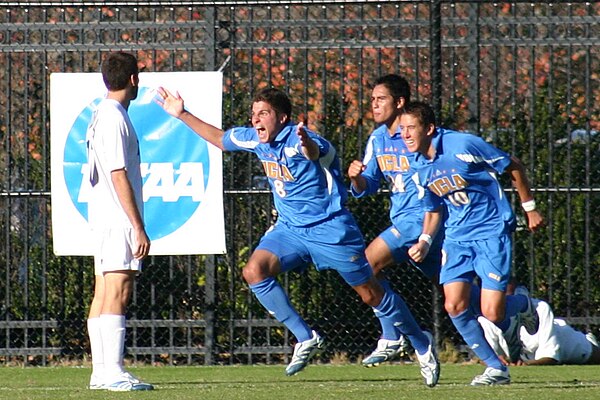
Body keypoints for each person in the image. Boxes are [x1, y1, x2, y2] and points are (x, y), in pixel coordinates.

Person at [157, 87, 440, 387]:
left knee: (370, 293)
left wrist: (308, 146)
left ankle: (421, 343)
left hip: (331, 230)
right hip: (290, 230)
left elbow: (315, 152)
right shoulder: (255, 138)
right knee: (254, 270)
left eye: (263, 114)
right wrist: (181, 113)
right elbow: (220, 140)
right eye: (253, 115)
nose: (255, 120)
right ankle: (306, 337)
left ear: (283, 117)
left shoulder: (301, 139)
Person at [400, 101, 544, 385]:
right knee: (454, 305)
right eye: (402, 129)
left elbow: (512, 165)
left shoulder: (463, 144)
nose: (404, 135)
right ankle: (496, 368)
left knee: (492, 312)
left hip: (491, 232)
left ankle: (522, 304)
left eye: (410, 128)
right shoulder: (418, 166)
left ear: (429, 129)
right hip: (456, 238)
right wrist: (426, 241)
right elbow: (433, 209)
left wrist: (530, 207)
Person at [347, 75, 443, 367]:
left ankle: (393, 335)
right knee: (458, 293)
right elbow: (369, 186)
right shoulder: (377, 139)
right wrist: (356, 178)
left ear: (399, 102)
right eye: (372, 99)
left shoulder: (419, 135)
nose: (374, 105)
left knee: (366, 264)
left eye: (381, 99)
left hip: (423, 219)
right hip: (404, 220)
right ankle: (519, 308)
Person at [85, 51, 154, 391]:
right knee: (118, 289)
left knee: (103, 291)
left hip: (104, 216)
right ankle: (112, 372)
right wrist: (137, 226)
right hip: (116, 217)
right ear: (132, 80)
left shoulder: (102, 113)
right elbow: (117, 174)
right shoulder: (113, 117)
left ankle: (101, 373)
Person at [478, 296, 600, 366]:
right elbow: (487, 357)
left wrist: (527, 365)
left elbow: (550, 357)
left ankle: (590, 340)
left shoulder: (539, 308)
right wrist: (494, 361)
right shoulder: (486, 316)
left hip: (572, 345)